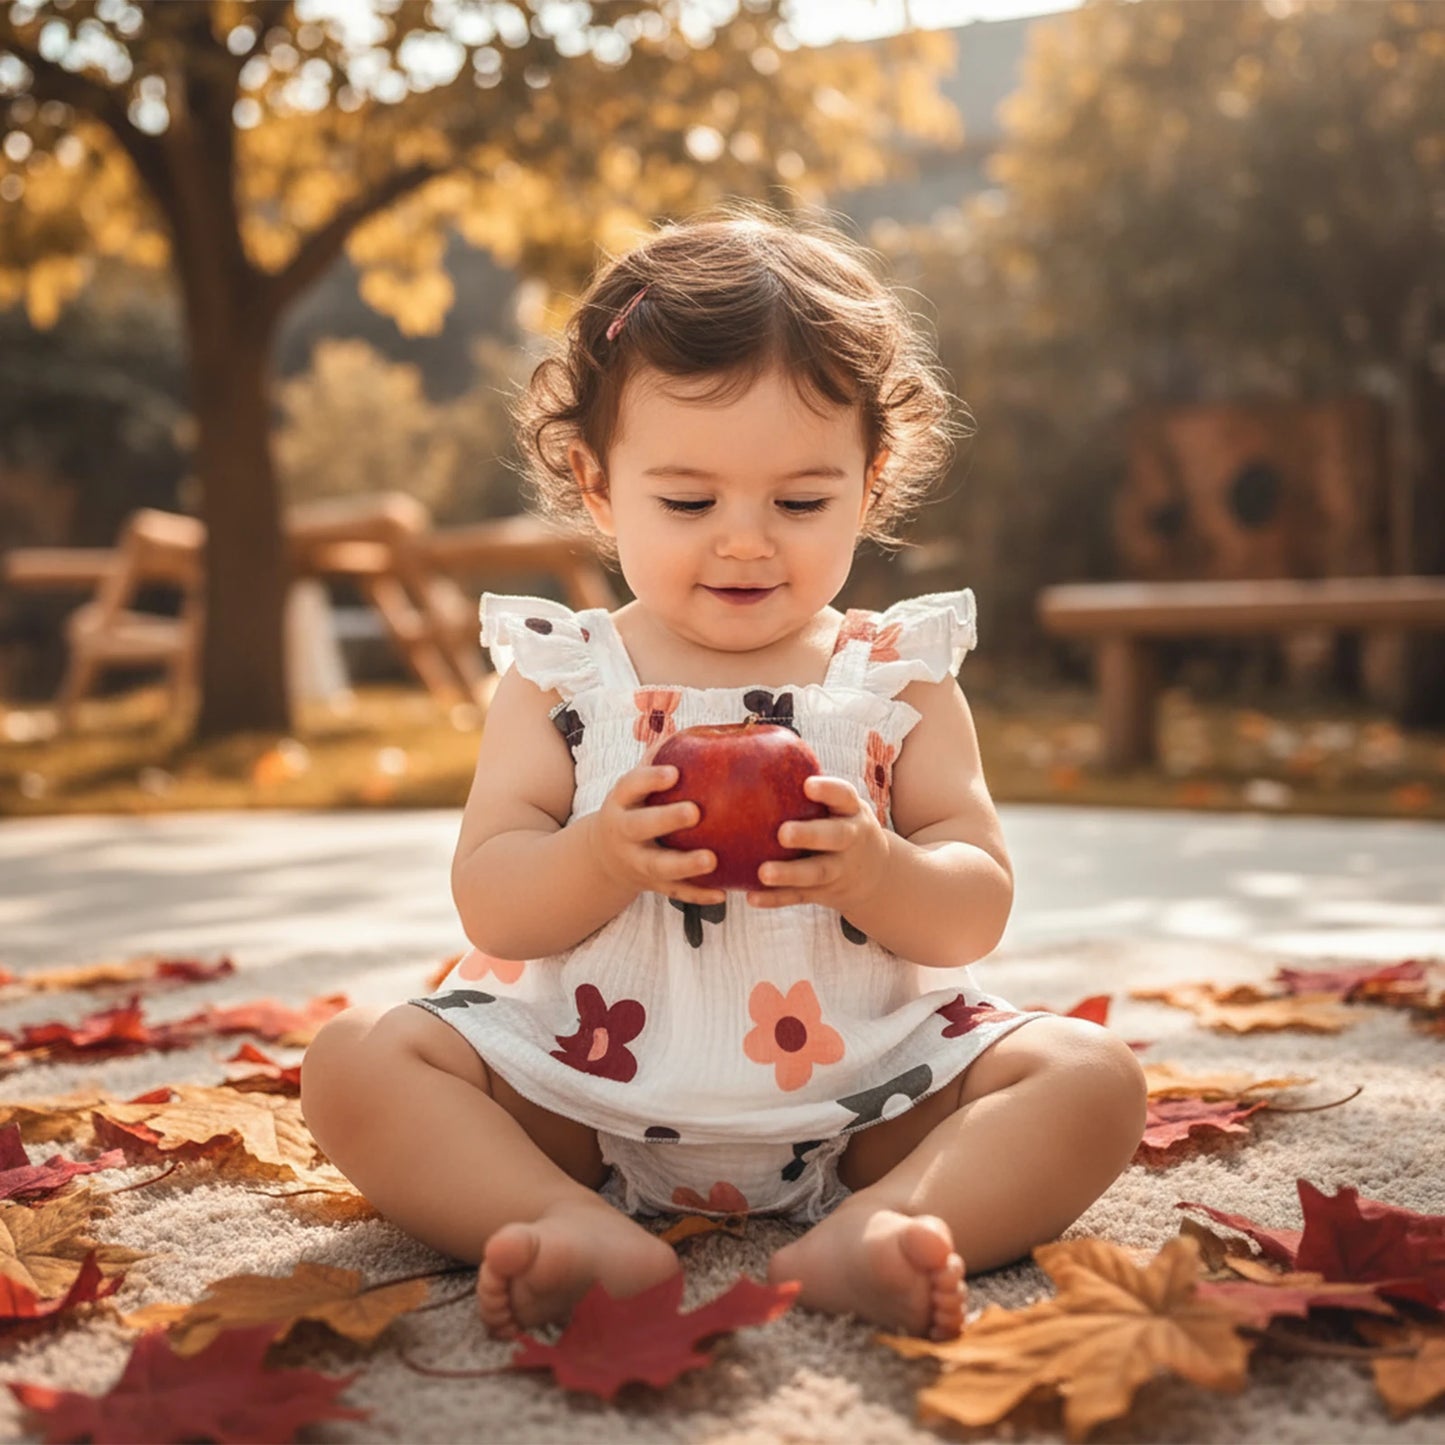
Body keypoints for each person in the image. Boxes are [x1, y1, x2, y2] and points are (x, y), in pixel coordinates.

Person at [301, 205, 1148, 1346]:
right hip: (583, 1092)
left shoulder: (892, 676)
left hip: (864, 1099)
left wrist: (877, 867)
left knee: (1088, 1074)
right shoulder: (566, 674)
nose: (745, 541)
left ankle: (888, 1222)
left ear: (870, 477)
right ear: (597, 485)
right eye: (688, 501)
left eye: (800, 501)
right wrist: (599, 852)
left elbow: (973, 902)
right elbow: (490, 894)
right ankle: (558, 1216)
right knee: (357, 1060)